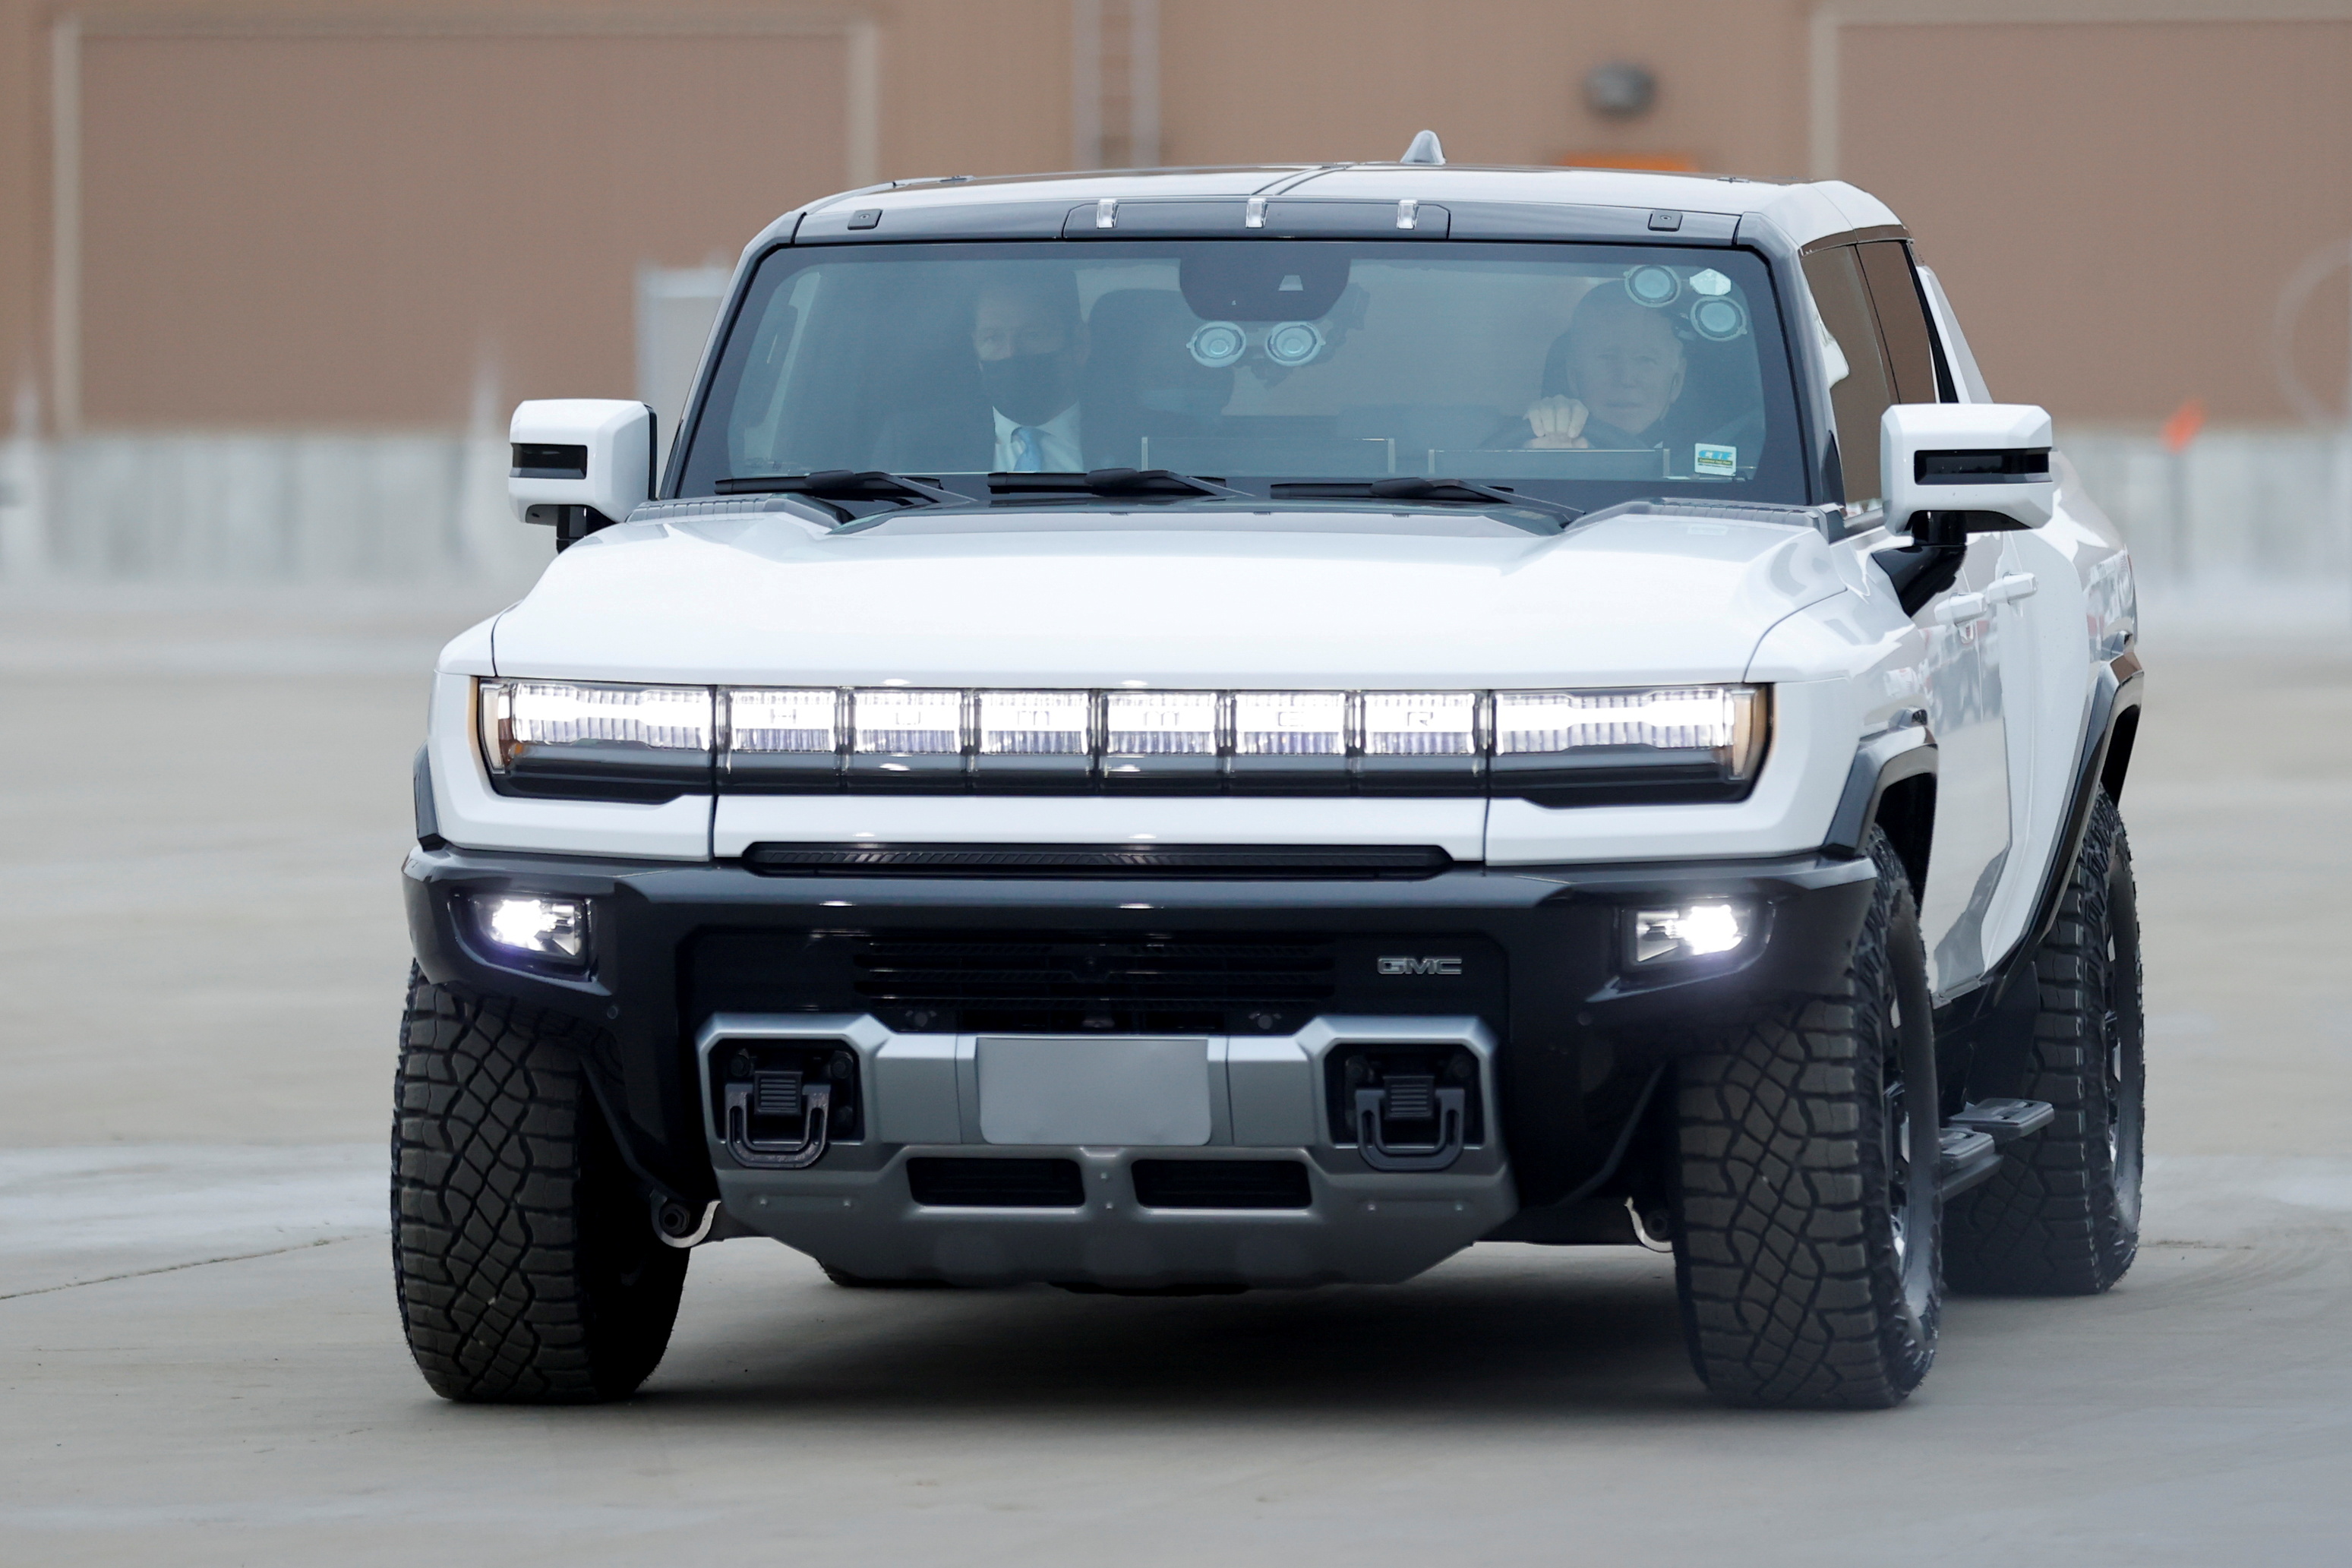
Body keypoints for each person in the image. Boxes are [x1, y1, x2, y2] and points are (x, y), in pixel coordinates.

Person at [1520, 282, 1687, 450]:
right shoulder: (1529, 445)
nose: (1626, 379)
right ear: (1573, 375)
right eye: (1607, 358)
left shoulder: (1705, 463)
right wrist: (1541, 448)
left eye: (1645, 360)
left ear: (1677, 381)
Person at [972, 272, 1088, 472]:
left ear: (1079, 344)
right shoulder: (928, 444)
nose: (1011, 353)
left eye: (1032, 335)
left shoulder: (1135, 437)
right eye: (993, 338)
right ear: (975, 346)